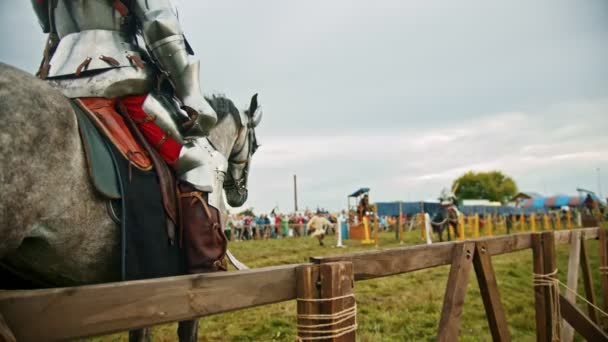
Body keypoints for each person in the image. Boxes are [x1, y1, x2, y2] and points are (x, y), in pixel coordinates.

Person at [31, 0, 226, 274]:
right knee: (199, 161)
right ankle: (207, 268)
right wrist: (190, 94)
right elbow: (159, 25)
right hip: (117, 74)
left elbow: (47, 24)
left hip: (56, 77)